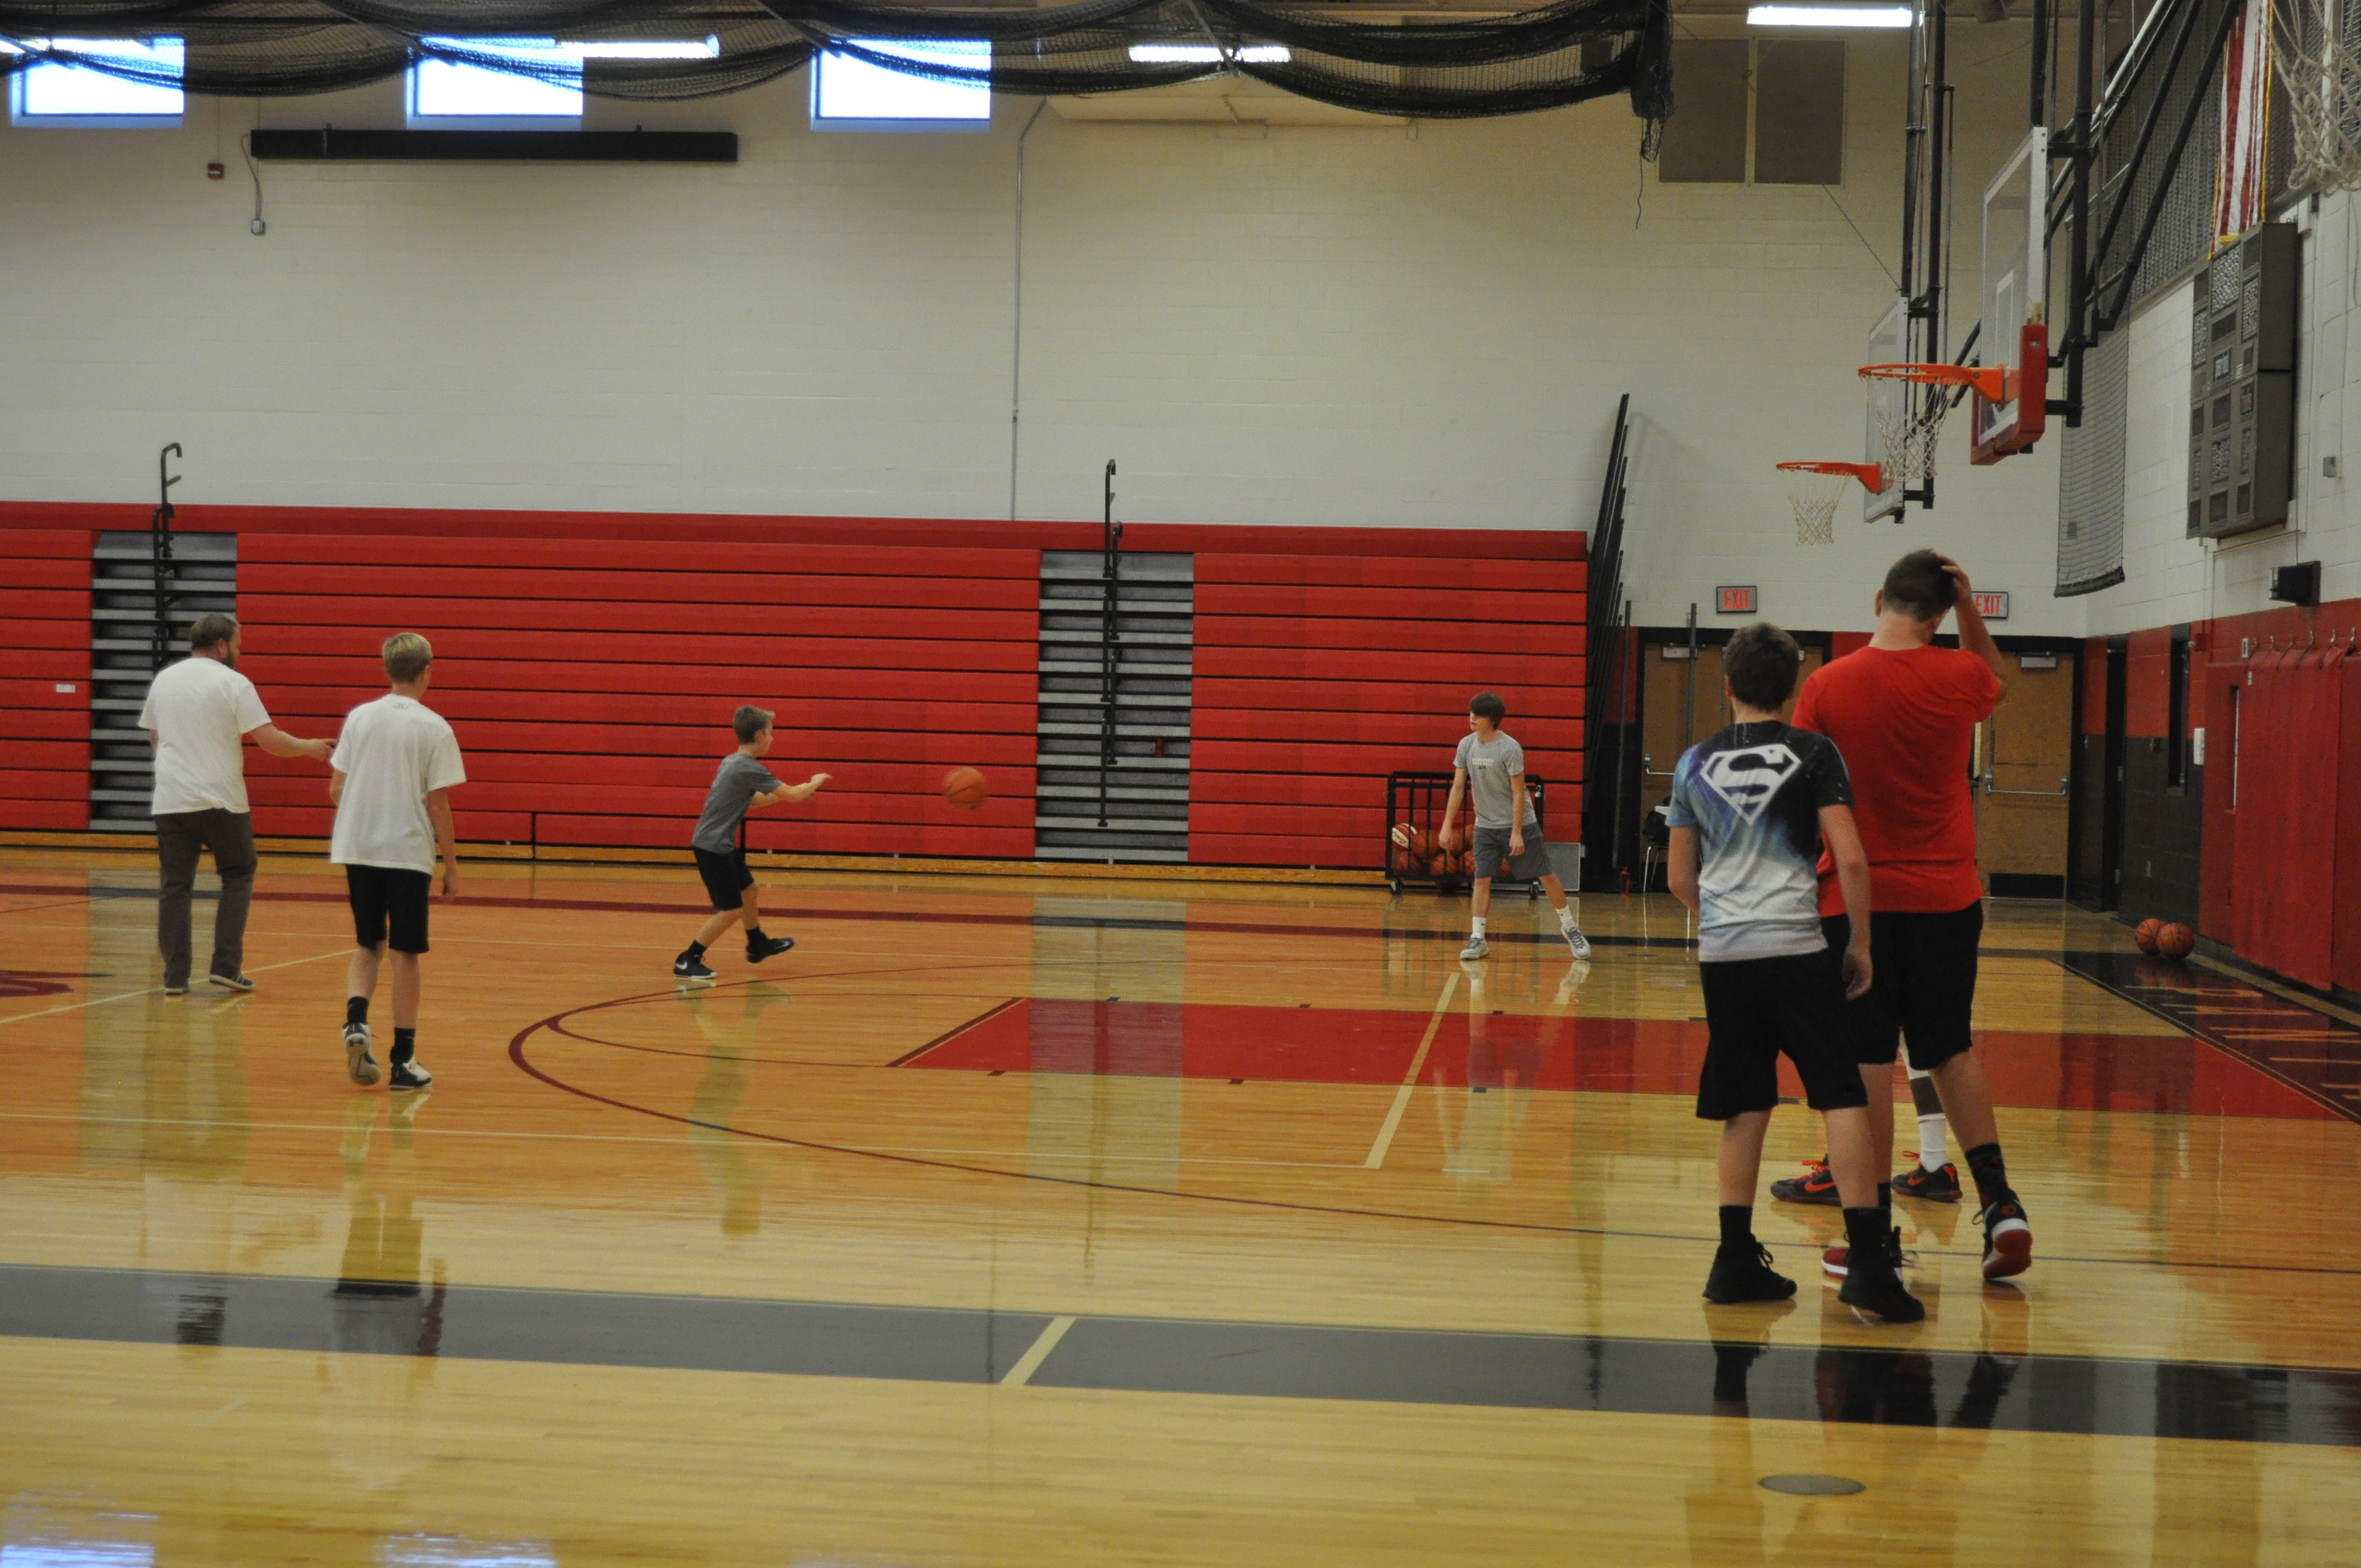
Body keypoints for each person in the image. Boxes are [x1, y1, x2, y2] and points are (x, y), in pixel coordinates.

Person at [1779, 549, 2032, 1283]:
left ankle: (1873, 1239)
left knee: (1863, 1069)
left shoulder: (1826, 685)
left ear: (1877, 599)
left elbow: (1802, 801)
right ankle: (2001, 1204)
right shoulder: (1960, 678)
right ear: (1942, 614)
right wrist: (1972, 608)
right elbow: (1998, 681)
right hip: (1949, 899)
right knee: (1950, 1049)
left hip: (1854, 904)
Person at [1666, 622, 1922, 1322]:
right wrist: (1860, 944)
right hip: (1797, 950)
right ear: (1790, 689)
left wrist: (1724, 915)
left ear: (1727, 688)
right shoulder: (1814, 752)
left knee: (1743, 1103)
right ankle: (1867, 1263)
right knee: (1839, 1095)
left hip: (1724, 956)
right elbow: (1853, 859)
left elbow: (1678, 877)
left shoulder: (1692, 763)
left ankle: (1732, 1260)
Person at [137, 612, 334, 995]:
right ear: (222, 645)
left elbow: (156, 738)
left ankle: (175, 979)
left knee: (175, 887)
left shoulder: (164, 680)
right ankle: (226, 967)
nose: (240, 652)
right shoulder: (233, 682)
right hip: (221, 801)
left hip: (171, 800)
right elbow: (269, 740)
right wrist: (309, 748)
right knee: (238, 872)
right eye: (239, 644)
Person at [330, 633, 465, 1092]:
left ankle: (355, 1022)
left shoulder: (359, 718)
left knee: (369, 945)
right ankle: (403, 1062)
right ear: (427, 671)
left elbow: (335, 790)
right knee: (406, 956)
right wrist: (451, 865)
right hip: (406, 851)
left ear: (387, 670)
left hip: (358, 846)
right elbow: (439, 804)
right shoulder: (434, 727)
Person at [673, 706, 829, 983]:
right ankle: (689, 959)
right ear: (759, 735)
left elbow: (754, 800)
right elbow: (793, 795)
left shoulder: (733, 762)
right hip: (712, 847)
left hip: (721, 844)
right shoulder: (747, 767)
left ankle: (756, 943)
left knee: (749, 891)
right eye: (770, 733)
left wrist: (792, 794)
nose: (773, 738)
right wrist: (813, 783)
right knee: (731, 909)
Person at [1436, 693, 1590, 961]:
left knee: (1546, 875)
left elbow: (1520, 794)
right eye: (1471, 712)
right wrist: (1447, 826)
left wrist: (1517, 831)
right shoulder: (1466, 745)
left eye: (1479, 714)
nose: (1472, 717)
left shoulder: (1510, 748)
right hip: (1485, 826)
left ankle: (1570, 928)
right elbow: (1458, 787)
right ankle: (1478, 939)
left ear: (1493, 720)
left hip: (1519, 824)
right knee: (1481, 879)